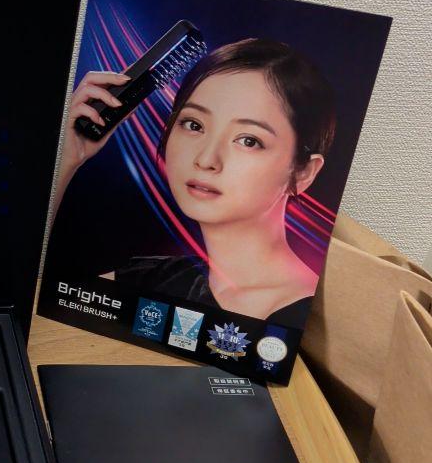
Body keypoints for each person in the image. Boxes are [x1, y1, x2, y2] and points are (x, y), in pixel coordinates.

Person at [53, 38, 336, 326]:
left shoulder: (308, 317)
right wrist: (67, 158)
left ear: (303, 172)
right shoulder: (151, 281)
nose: (206, 159)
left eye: (249, 140)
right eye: (194, 125)